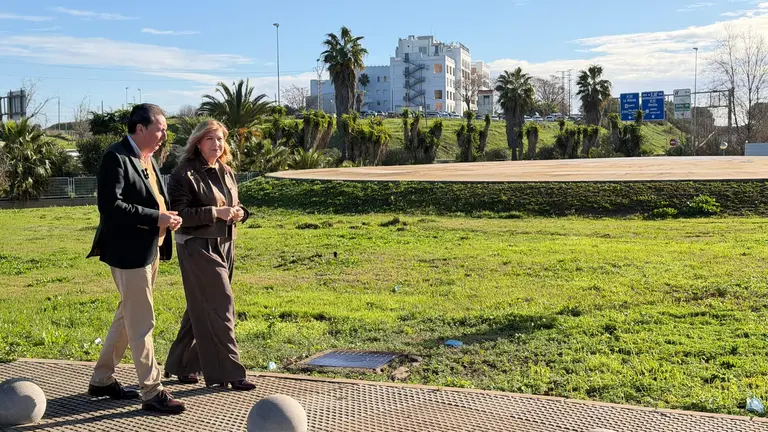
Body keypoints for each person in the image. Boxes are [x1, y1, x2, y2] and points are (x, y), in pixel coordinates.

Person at [86, 103, 186, 414]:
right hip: (128, 253)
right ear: (140, 128)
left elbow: (152, 198)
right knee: (142, 322)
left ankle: (102, 380)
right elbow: (110, 208)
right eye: (160, 129)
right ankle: (152, 391)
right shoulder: (115, 157)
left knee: (127, 318)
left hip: (149, 250)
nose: (163, 135)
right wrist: (156, 217)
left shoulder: (148, 158)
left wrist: (166, 218)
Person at [163, 120, 255, 390]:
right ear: (197, 143)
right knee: (221, 304)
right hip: (197, 246)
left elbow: (233, 206)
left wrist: (241, 213)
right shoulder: (183, 173)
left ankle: (183, 364)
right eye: (210, 139)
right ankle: (229, 371)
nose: (217, 144)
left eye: (220, 139)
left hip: (226, 243)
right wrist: (216, 213)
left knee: (199, 306)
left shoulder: (226, 170)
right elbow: (179, 215)